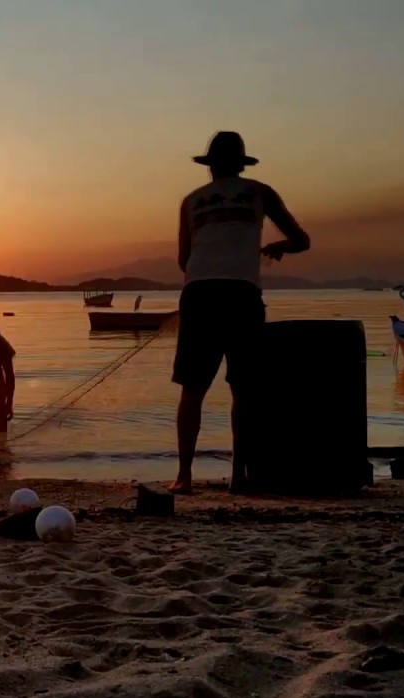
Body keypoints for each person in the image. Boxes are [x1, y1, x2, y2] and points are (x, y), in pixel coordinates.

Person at [171, 131, 310, 494]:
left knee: (192, 390)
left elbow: (183, 259)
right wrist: (277, 246)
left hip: (199, 292)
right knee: (244, 390)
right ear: (241, 164)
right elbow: (302, 240)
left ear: (210, 167)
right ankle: (238, 476)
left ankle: (184, 477)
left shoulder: (191, 201)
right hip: (241, 293)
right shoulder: (260, 193)